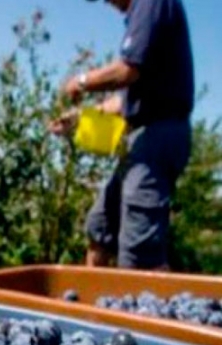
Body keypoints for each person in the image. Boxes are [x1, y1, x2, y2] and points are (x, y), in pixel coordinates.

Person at [50, 0, 195, 270]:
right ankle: (95, 308)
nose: (111, 5)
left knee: (140, 250)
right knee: (100, 225)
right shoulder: (143, 15)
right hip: (144, 137)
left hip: (159, 134)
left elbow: (127, 70)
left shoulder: (152, 4)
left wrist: (82, 81)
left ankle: (147, 307)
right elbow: (124, 102)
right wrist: (80, 119)